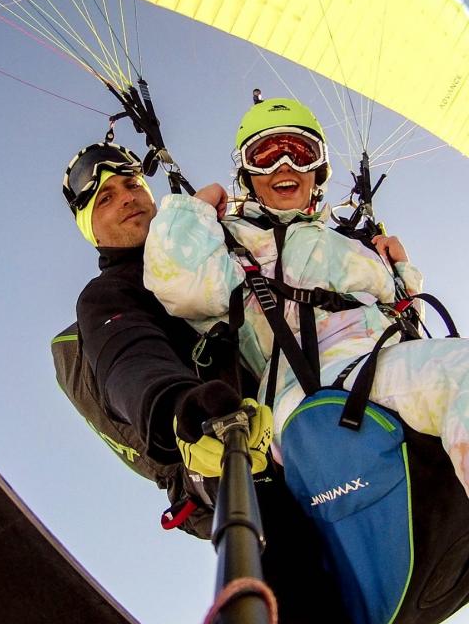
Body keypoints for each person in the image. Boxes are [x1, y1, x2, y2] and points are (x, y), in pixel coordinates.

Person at [60, 139, 358, 624]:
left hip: (297, 410)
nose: (128, 198)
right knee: (295, 581)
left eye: (132, 184)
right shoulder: (110, 294)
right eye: (105, 198)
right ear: (90, 228)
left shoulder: (213, 248)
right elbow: (127, 357)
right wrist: (177, 405)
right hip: (217, 448)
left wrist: (376, 263)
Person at [144, 96, 469, 499]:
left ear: (318, 170)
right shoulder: (233, 238)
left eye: (300, 152)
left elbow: (404, 322)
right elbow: (179, 284)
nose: (284, 165)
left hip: (384, 363)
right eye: (264, 155)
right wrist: (196, 208)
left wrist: (402, 271)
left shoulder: (351, 243)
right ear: (246, 174)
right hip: (307, 387)